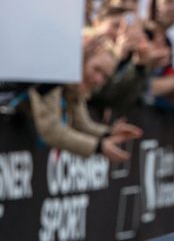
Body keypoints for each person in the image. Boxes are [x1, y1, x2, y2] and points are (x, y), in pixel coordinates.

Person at [28, 34, 143, 162]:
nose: (98, 79)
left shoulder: (75, 85)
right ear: (82, 59)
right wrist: (99, 147)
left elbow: (80, 123)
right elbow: (50, 130)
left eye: (105, 77)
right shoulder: (52, 74)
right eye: (96, 69)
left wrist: (109, 133)